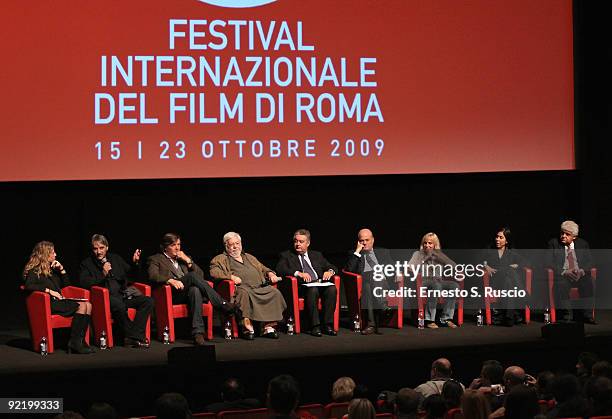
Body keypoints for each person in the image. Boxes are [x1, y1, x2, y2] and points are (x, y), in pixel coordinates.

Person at [147, 233, 236, 345]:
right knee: (191, 276)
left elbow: (201, 276)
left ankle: (197, 333)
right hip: (171, 295)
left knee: (195, 289)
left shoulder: (183, 258)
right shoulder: (156, 259)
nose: (177, 248)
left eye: (178, 244)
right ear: (165, 247)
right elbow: (153, 276)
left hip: (187, 294)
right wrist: (169, 280)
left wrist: (188, 260)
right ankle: (222, 304)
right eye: (173, 245)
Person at [79, 234, 153, 348]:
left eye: (101, 248)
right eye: (95, 248)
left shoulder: (115, 258)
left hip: (122, 295)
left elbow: (132, 275)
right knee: (119, 305)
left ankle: (132, 337)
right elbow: (84, 283)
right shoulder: (87, 264)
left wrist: (135, 263)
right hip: (104, 299)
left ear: (107, 247)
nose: (98, 252)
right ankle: (135, 337)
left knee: (147, 301)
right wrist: (102, 274)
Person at [210, 232, 286, 340]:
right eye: (232, 244)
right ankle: (247, 328)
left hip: (259, 287)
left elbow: (263, 268)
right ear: (226, 246)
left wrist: (270, 273)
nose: (235, 247)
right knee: (243, 294)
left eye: (237, 243)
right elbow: (214, 273)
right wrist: (230, 277)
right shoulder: (220, 259)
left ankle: (268, 327)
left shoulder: (249, 257)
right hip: (242, 288)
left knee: (274, 292)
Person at [23, 241, 94, 354]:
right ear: (45, 254)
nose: (55, 255)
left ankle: (80, 341)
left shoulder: (52, 270)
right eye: (53, 252)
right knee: (81, 306)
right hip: (48, 304)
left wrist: (61, 269)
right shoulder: (34, 271)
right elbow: (28, 285)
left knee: (88, 305)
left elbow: (66, 285)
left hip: (60, 301)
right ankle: (74, 342)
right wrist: (49, 291)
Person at [276, 229, 338, 337]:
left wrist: (330, 272)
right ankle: (315, 326)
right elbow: (280, 269)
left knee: (332, 289)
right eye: (296, 241)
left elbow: (332, 266)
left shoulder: (316, 255)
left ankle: (327, 325)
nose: (297, 244)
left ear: (308, 243)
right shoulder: (286, 255)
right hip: (301, 288)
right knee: (312, 290)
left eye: (301, 242)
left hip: (319, 284)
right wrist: (298, 273)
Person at [344, 228, 397, 335]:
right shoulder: (354, 254)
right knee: (368, 287)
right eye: (361, 240)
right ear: (358, 241)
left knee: (373, 274)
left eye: (367, 240)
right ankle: (381, 310)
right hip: (364, 284)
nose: (364, 243)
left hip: (383, 282)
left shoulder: (383, 251)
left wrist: (398, 272)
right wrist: (357, 252)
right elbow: (349, 270)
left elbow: (393, 266)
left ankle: (372, 323)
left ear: (373, 240)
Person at [547, 220, 596, 324]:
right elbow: (548, 262)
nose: (563, 236)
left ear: (574, 236)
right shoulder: (553, 243)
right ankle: (567, 316)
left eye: (567, 234)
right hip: (563, 275)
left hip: (579, 274)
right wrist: (564, 271)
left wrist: (582, 271)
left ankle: (587, 316)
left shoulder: (583, 244)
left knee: (588, 282)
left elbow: (590, 261)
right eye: (562, 233)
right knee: (561, 284)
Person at [407, 233, 459, 329]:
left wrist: (439, 257)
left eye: (430, 243)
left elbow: (454, 266)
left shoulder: (439, 255)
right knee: (436, 285)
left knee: (454, 286)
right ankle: (429, 319)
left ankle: (446, 318)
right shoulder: (418, 254)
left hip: (438, 282)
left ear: (435, 244)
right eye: (425, 243)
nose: (427, 245)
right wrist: (424, 259)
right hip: (423, 282)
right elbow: (409, 268)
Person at [482, 227, 525, 326]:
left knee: (508, 282)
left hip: (506, 282)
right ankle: (525, 296)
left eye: (501, 237)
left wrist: (517, 265)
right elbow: (480, 259)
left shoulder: (511, 252)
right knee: (508, 272)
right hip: (494, 281)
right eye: (497, 237)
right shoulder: (490, 249)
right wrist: (486, 266)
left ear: (506, 241)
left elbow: (525, 262)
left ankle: (509, 318)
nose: (497, 239)